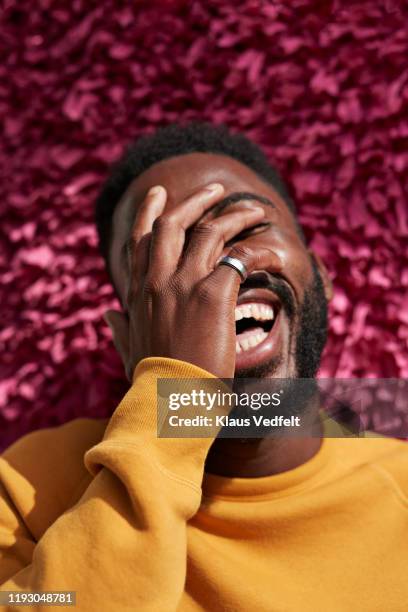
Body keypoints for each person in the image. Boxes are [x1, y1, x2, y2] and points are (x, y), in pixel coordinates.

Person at [1, 122, 407, 611]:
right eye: (165, 256)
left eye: (244, 226)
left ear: (320, 277)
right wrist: (170, 405)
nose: (213, 273)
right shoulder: (28, 486)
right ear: (127, 337)